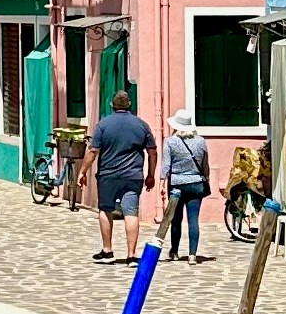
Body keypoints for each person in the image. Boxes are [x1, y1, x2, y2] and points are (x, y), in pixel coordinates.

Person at [89, 80, 156, 260]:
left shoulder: (103, 125)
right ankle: (131, 255)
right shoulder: (142, 125)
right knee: (131, 213)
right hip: (133, 176)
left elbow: (93, 151)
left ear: (112, 105)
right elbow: (152, 152)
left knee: (105, 210)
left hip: (108, 176)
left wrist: (82, 172)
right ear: (129, 105)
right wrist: (150, 174)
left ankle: (107, 250)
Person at [159, 108, 213, 261]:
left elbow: (166, 165)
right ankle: (192, 254)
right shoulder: (201, 141)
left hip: (176, 184)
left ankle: (174, 252)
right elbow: (205, 164)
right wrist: (206, 177)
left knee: (176, 219)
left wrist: (162, 182)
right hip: (196, 183)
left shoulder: (170, 141)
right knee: (193, 220)